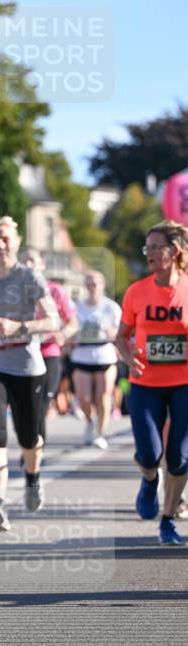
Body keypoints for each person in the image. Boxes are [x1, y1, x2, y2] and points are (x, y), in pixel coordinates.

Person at [0, 217, 59, 531]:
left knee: (29, 438)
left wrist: (20, 327)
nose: (0, 246)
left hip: (27, 368)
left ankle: (32, 478)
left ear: (15, 243)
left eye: (5, 240)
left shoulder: (30, 277)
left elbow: (53, 320)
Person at [115, 220, 188, 546]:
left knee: (180, 458)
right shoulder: (136, 291)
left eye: (155, 247)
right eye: (147, 248)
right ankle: (148, 479)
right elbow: (121, 337)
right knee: (150, 454)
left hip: (184, 382)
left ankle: (169, 520)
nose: (149, 253)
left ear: (174, 252)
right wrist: (128, 358)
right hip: (145, 382)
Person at [19, 247, 77, 448]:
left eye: (32, 261)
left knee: (41, 404)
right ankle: (30, 447)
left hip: (48, 353)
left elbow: (73, 322)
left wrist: (63, 334)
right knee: (26, 405)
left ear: (42, 265)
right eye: (24, 261)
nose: (28, 265)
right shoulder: (13, 291)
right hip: (24, 354)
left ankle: (35, 448)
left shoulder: (55, 291)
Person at [67, 271, 121, 449]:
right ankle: (90, 421)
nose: (92, 287)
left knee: (103, 396)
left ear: (102, 286)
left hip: (104, 354)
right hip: (82, 354)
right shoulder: (77, 306)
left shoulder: (111, 307)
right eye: (89, 283)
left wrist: (104, 330)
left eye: (96, 283)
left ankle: (101, 433)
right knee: (84, 398)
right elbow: (70, 329)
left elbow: (119, 332)